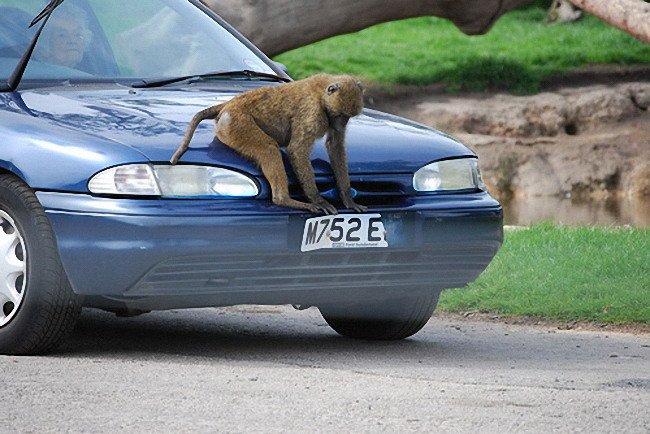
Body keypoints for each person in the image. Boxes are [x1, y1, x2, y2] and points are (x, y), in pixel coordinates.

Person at [35, 4, 90, 69]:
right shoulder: (30, 74)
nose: (72, 41)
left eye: (78, 34)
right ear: (44, 43)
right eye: (62, 35)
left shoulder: (93, 74)